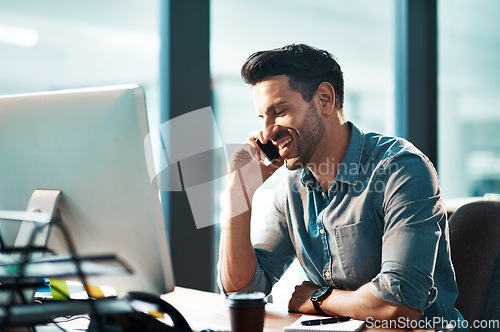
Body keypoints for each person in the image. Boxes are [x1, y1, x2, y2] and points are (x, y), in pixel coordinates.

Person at [218, 44, 465, 330]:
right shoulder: (292, 188)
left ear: (324, 99)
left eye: (280, 111)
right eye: (262, 117)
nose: (267, 131)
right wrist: (238, 193)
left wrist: (318, 298)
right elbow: (243, 293)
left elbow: (399, 305)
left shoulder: (401, 170)